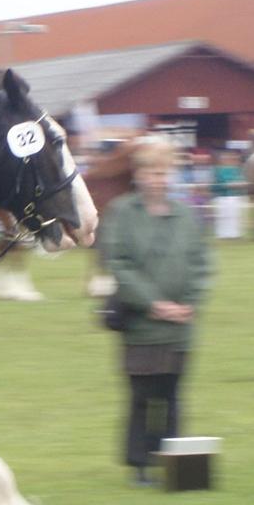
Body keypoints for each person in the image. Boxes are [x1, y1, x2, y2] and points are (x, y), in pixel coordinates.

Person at [100, 140, 212, 487]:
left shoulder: (186, 215)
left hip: (180, 328)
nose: (157, 179)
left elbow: (201, 262)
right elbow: (118, 262)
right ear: (138, 175)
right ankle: (139, 465)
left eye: (163, 172)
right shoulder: (121, 213)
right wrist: (154, 304)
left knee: (173, 397)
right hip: (141, 327)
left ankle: (173, 463)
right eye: (150, 172)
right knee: (142, 398)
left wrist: (190, 301)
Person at [210, 149, 247, 239]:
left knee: (235, 216)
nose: (230, 160)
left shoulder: (237, 170)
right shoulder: (218, 170)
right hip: (223, 197)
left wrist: (241, 185)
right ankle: (223, 234)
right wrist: (228, 185)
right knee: (224, 216)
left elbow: (241, 181)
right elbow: (215, 185)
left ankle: (235, 234)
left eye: (232, 158)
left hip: (235, 197)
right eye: (227, 158)